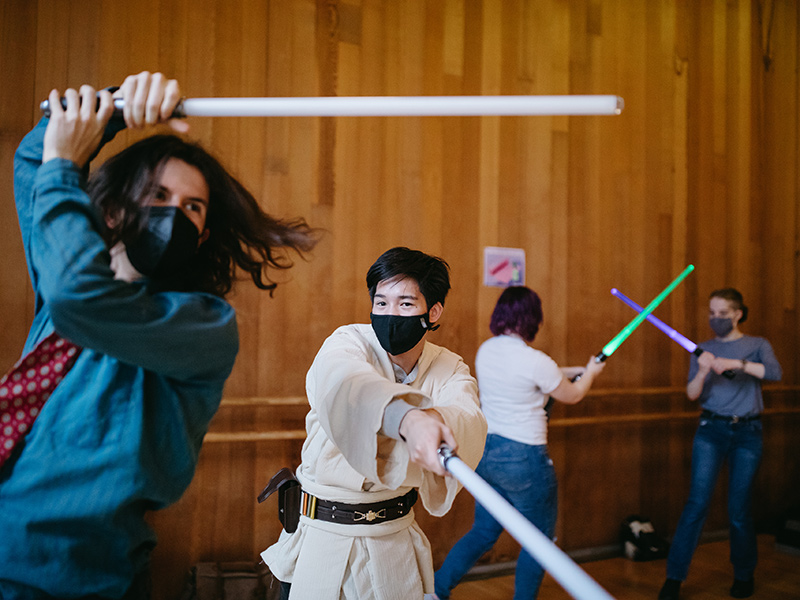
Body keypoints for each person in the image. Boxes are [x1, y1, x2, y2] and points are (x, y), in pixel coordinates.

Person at [0, 72, 317, 599]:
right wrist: (118, 107)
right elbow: (38, 160)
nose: (174, 213)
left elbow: (81, 295)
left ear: (204, 234)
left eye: (192, 207)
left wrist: (64, 166)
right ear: (113, 210)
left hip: (67, 581)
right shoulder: (63, 288)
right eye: (158, 194)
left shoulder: (201, 323)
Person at [261, 246, 487, 600]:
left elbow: (467, 415)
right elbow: (347, 385)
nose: (390, 313)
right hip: (323, 534)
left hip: (393, 536)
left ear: (434, 310)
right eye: (381, 303)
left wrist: (436, 421)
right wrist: (406, 419)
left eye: (406, 304)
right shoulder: (347, 343)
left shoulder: (449, 367)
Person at [434, 286, 606, 600]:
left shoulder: (488, 350)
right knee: (539, 542)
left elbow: (538, 376)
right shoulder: (536, 361)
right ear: (533, 319)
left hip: (487, 453)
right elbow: (573, 394)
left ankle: (435, 591)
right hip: (525, 458)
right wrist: (592, 372)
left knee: (484, 532)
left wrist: (572, 371)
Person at [658, 288, 782, 600]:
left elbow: (774, 373)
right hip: (710, 431)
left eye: (722, 314)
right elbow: (692, 394)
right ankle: (674, 578)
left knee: (738, 509)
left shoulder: (757, 345)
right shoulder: (703, 349)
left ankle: (743, 575)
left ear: (738, 313)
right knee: (696, 504)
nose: (716, 319)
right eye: (712, 314)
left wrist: (737, 364)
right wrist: (702, 370)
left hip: (748, 434)